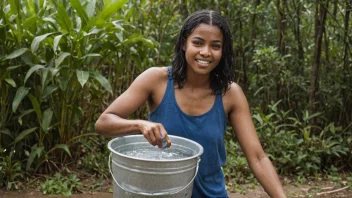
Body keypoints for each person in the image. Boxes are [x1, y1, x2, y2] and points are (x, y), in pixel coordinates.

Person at [95, 9, 287, 198]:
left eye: (216, 46)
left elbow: (258, 158)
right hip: (160, 193)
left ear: (223, 51)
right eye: (198, 43)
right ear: (184, 43)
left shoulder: (230, 93)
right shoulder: (156, 80)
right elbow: (103, 122)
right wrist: (140, 124)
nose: (206, 52)